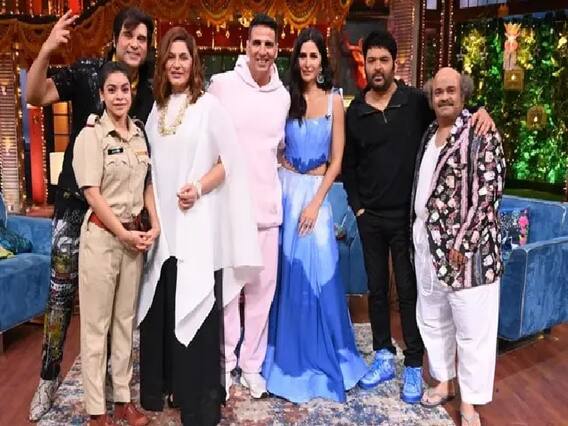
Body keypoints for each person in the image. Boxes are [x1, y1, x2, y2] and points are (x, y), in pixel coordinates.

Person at [342, 29, 494, 404]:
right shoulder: (355, 112)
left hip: (407, 220)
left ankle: (413, 363)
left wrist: (481, 112)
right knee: (377, 288)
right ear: (365, 65)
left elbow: (451, 110)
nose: (378, 67)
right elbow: (349, 166)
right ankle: (383, 354)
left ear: (394, 63)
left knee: (408, 293)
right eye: (372, 60)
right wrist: (358, 208)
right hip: (370, 218)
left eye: (384, 60)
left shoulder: (414, 102)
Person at [26, 7, 154, 421]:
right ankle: (49, 379)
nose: (135, 43)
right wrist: (47, 48)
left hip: (123, 212)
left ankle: (117, 392)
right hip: (76, 204)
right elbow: (35, 96)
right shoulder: (86, 74)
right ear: (115, 38)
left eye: (142, 38)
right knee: (62, 296)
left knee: (120, 311)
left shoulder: (148, 93)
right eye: (129, 35)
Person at [136, 27, 262, 426]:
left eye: (184, 57)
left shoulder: (209, 107)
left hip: (196, 224)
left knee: (195, 304)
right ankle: (169, 386)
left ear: (194, 63)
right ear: (162, 63)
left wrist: (199, 187)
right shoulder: (156, 110)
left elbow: (230, 162)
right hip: (164, 230)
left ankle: (199, 400)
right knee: (163, 303)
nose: (177, 64)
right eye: (171, 57)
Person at [261, 27, 367, 403]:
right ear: (296, 60)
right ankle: (285, 352)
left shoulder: (336, 99)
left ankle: (331, 352)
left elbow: (337, 160)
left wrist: (315, 201)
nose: (307, 62)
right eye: (302, 56)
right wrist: (282, 163)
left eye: (313, 56)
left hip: (316, 197)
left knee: (322, 270)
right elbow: (268, 142)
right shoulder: (284, 98)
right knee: (287, 273)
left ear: (323, 60)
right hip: (286, 191)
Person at [412, 68, 505, 426]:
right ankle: (444, 381)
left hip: (469, 254)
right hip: (428, 246)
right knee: (433, 318)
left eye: (451, 90)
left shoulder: (480, 131)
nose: (445, 97)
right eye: (438, 92)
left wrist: (464, 242)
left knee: (472, 329)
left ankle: (470, 403)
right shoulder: (429, 133)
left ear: (463, 94)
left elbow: (489, 192)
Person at [208, 13, 290, 399]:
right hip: (228, 211)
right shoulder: (221, 86)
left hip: (267, 212)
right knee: (228, 294)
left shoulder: (283, 96)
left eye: (269, 44)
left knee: (261, 294)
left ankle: (252, 366)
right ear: (246, 45)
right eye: (256, 42)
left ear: (277, 49)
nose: (262, 50)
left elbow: (278, 151)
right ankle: (224, 364)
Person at [72, 61, 157, 426]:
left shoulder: (138, 134)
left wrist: (155, 223)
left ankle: (123, 400)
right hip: (103, 240)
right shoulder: (91, 136)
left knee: (125, 323)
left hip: (133, 240)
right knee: (96, 327)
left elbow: (147, 183)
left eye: (125, 89)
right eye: (112, 90)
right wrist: (122, 233)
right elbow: (92, 194)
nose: (120, 96)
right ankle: (97, 410)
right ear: (102, 94)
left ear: (131, 91)